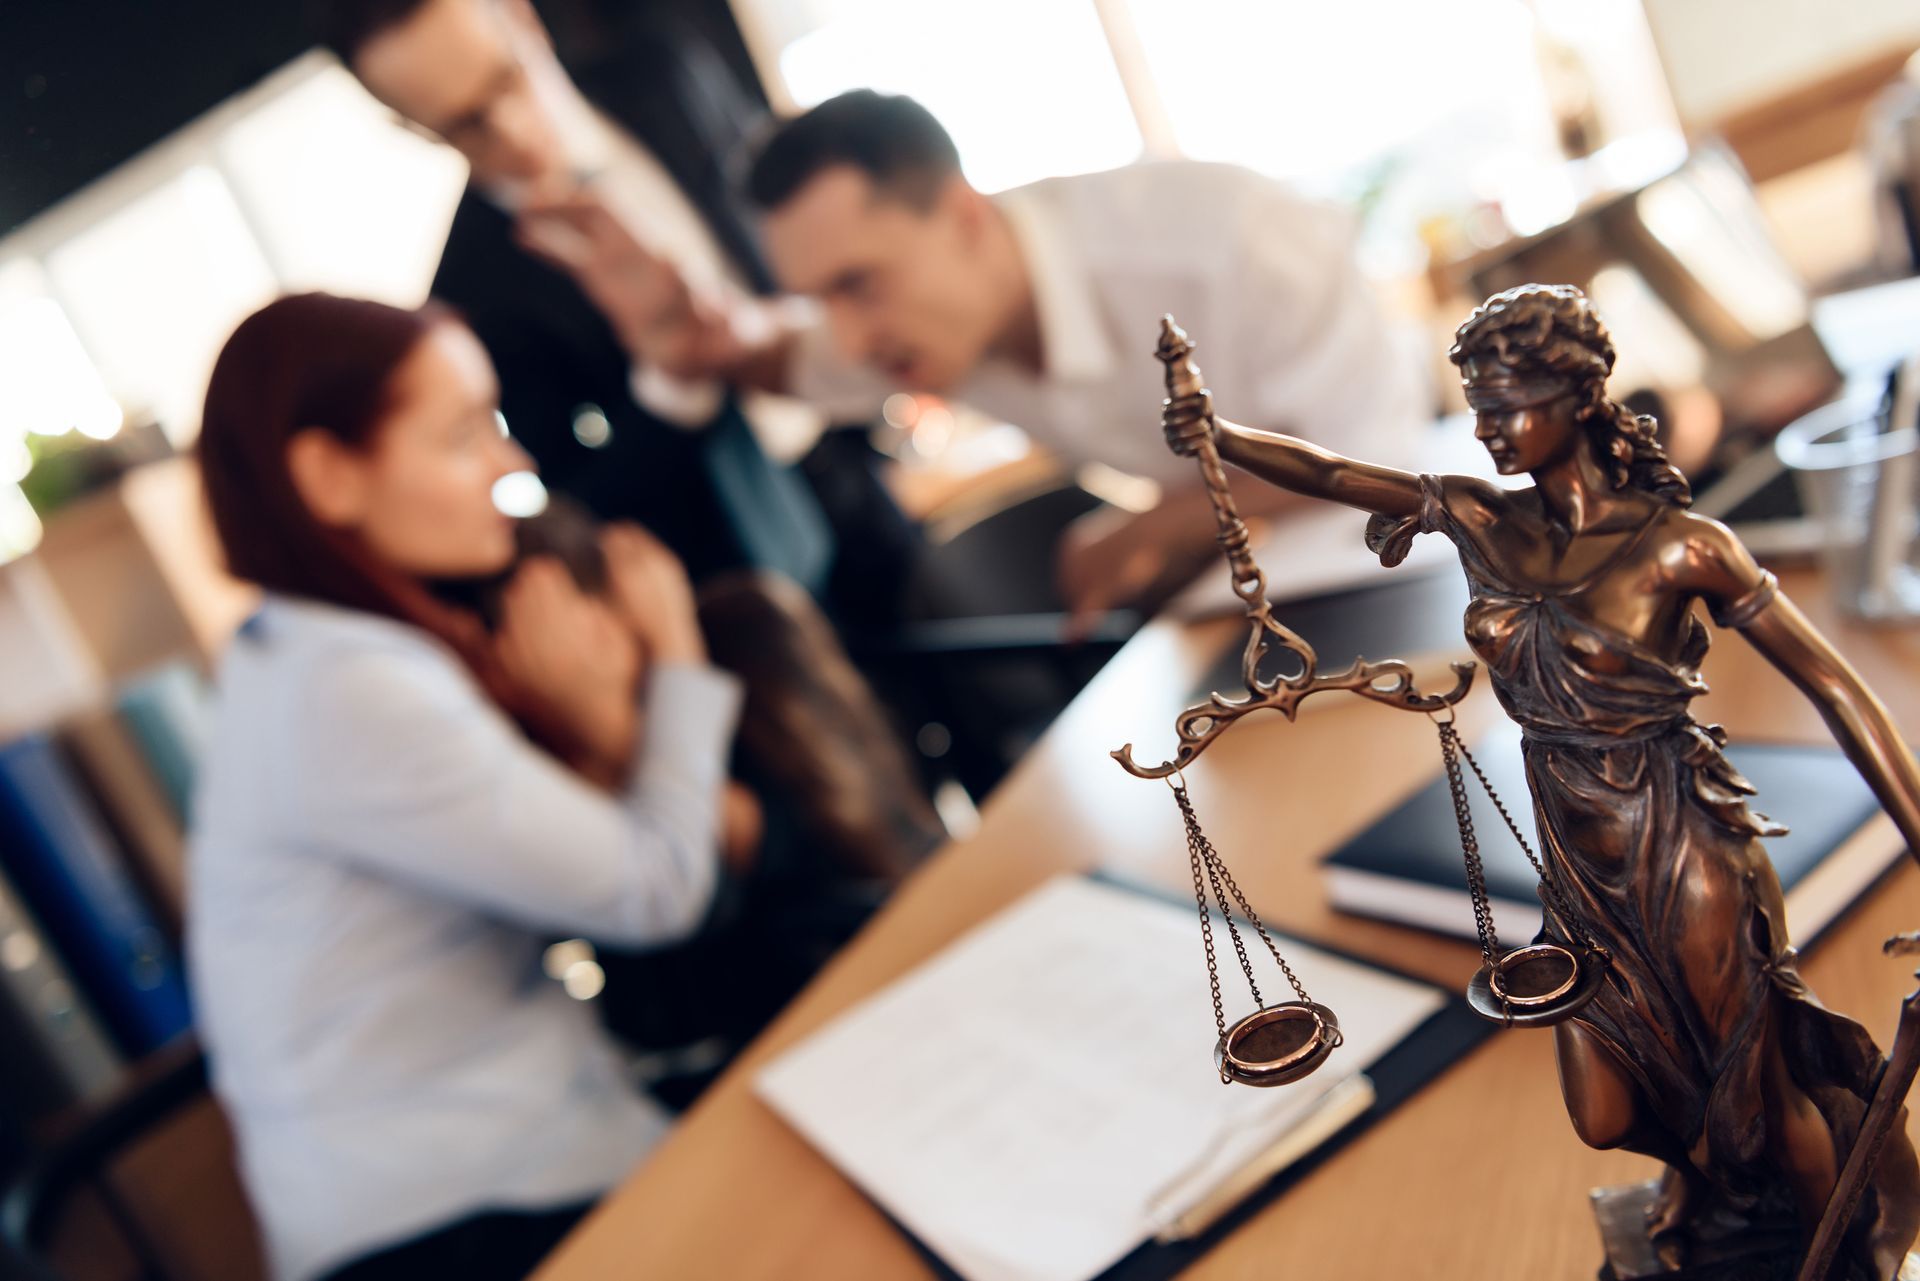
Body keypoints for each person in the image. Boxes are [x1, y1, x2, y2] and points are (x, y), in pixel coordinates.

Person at [1165, 283, 1920, 1278]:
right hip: (1572, 851)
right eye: (1474, 404)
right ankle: (1706, 1192)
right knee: (1607, 1109)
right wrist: (1218, 435)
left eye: (1508, 401)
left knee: (1754, 1097)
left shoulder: (1680, 546)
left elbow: (1836, 688)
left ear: (1578, 396)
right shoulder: (1483, 519)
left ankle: (1847, 1258)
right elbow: (1337, 473)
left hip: (1678, 840)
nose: (1487, 430)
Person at [188, 292, 750, 1281]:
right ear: (328, 476)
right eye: (462, 436)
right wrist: (675, 660)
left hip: (497, 1156)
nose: (512, 465)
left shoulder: (310, 652)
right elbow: (654, 888)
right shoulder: (350, 693)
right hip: (455, 1222)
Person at [588, 89, 1430, 634]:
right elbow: (784, 357)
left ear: (964, 220)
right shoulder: (913, 320)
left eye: (857, 284)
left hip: (1412, 575)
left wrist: (1153, 524)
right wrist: (690, 335)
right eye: (821, 298)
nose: (848, 339)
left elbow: (1381, 465)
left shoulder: (1231, 240)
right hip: (1259, 618)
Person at [316, 0, 869, 598]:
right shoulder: (470, 297)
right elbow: (582, 503)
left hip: (862, 436)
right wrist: (672, 382)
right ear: (409, 126)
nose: (514, 131)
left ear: (522, 19)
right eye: (464, 124)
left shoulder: (665, 74)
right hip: (741, 569)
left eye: (508, 78)